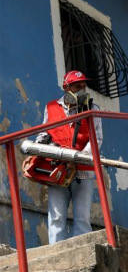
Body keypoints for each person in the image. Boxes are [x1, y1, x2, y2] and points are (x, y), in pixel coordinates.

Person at [22, 70, 102, 244]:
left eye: (83, 85)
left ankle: (81, 251)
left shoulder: (92, 109)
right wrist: (35, 152)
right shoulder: (51, 108)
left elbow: (97, 138)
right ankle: (56, 253)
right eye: (76, 86)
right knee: (56, 217)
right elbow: (44, 134)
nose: (81, 89)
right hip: (57, 169)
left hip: (83, 170)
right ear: (66, 88)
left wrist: (81, 156)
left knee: (82, 218)